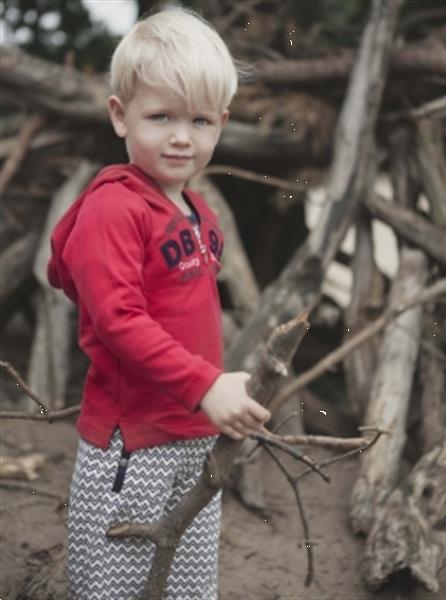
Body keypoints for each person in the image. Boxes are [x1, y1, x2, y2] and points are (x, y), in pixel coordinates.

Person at [47, 6, 270, 600]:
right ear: (121, 116)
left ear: (221, 124)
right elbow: (117, 320)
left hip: (193, 431)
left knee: (188, 583)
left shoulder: (200, 212)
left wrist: (212, 394)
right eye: (161, 116)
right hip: (134, 440)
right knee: (116, 583)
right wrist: (206, 384)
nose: (181, 135)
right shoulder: (113, 209)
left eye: (199, 120)